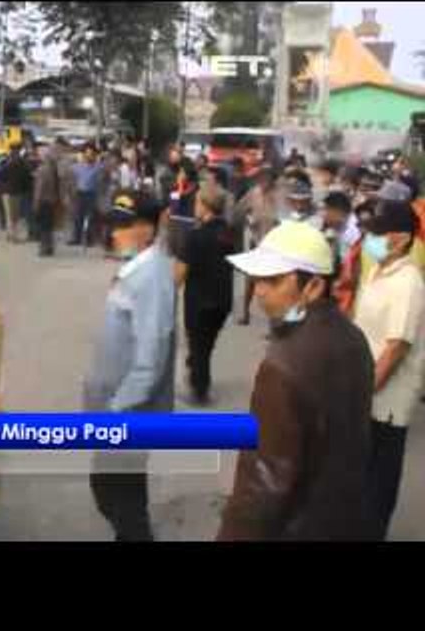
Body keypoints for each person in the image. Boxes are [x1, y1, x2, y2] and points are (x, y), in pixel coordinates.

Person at [219, 221, 376, 540]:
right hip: (342, 516)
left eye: (273, 280)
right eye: (257, 278)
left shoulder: (283, 365)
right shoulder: (353, 337)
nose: (259, 290)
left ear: (314, 286)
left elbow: (263, 482)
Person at [85, 189, 175, 541]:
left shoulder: (151, 277)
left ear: (148, 229)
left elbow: (151, 360)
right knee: (116, 494)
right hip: (115, 408)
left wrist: (117, 410)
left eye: (124, 226)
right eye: (113, 225)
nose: (115, 233)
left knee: (118, 498)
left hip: (127, 414)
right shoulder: (137, 269)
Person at [351, 201, 425, 540]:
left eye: (379, 233)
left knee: (378, 481)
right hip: (365, 390)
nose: (372, 239)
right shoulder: (378, 272)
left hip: (386, 402)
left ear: (402, 239)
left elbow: (396, 347)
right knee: (360, 475)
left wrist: (365, 392)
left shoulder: (409, 283)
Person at [174, 183, 237, 405]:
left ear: (205, 206)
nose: (195, 207)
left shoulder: (195, 236)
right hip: (222, 297)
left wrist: (170, 291)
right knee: (207, 344)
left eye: (197, 203)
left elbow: (180, 273)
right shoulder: (228, 233)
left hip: (200, 300)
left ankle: (200, 390)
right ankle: (197, 374)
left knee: (198, 345)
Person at [232, 165, 282, 325]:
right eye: (261, 178)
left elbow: (287, 218)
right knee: (250, 279)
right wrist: (248, 220)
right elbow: (238, 211)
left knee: (274, 282)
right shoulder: (254, 194)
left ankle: (274, 320)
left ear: (273, 180)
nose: (264, 181)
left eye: (267, 178)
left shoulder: (279, 196)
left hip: (276, 245)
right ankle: (245, 313)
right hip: (257, 242)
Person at [69, 145, 103, 247]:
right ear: (84, 154)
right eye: (87, 153)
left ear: (95, 155)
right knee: (77, 216)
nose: (89, 156)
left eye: (91, 154)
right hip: (79, 194)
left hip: (91, 194)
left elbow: (102, 179)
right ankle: (77, 238)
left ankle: (89, 239)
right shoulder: (77, 166)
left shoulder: (98, 167)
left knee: (90, 217)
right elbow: (69, 174)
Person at [0, 147, 31, 243]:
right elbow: (26, 178)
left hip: (8, 193)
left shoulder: (7, 165)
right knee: (13, 216)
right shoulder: (18, 166)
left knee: (10, 215)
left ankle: (10, 234)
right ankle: (13, 236)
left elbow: (0, 177)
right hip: (14, 193)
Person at [33, 145, 62, 257]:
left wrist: (35, 202)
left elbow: (39, 188)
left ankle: (44, 248)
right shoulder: (54, 170)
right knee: (49, 226)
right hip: (52, 201)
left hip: (43, 201)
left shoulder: (42, 170)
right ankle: (50, 247)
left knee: (43, 227)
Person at [321, 191, 361, 270]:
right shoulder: (336, 225)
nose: (324, 214)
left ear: (337, 210)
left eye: (326, 209)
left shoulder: (355, 230)